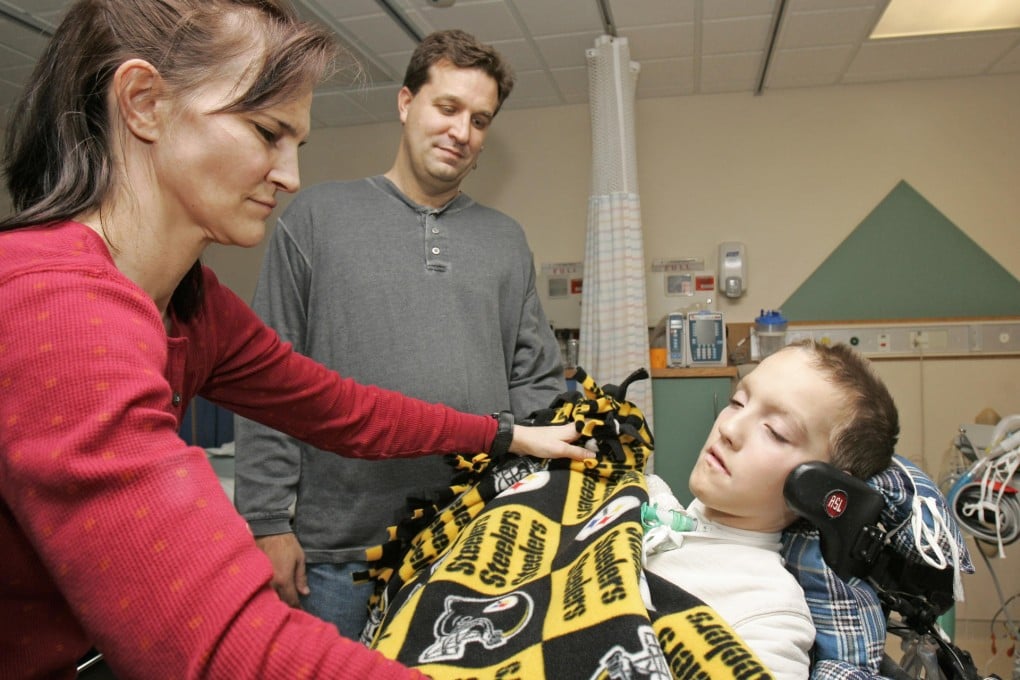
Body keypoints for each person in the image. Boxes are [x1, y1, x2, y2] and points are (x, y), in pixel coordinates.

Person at [0, 2, 594, 678]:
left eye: (296, 145)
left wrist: (504, 435)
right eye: (266, 132)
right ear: (144, 103)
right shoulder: (50, 306)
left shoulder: (194, 307)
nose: (289, 176)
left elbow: (345, 411)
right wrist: (267, 521)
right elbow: (223, 648)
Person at [234, 29, 566, 638]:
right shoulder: (315, 219)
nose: (462, 132)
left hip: (470, 541)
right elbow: (266, 381)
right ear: (406, 102)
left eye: (481, 119)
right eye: (448, 107)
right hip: (338, 555)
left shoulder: (506, 239)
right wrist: (265, 522)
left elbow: (534, 380)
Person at [641, 340, 899, 680]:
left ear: (822, 489)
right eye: (738, 402)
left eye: (776, 432)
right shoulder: (649, 496)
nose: (729, 429)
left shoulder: (768, 615)